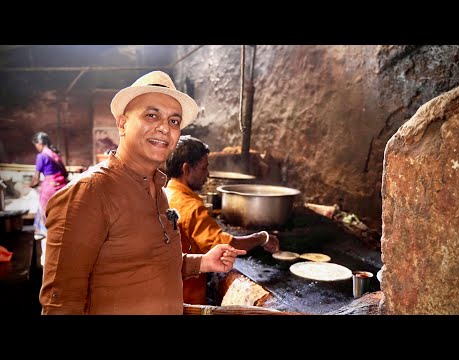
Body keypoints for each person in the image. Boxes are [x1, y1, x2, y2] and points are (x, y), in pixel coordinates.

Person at [39, 71, 246, 315]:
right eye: (151, 115)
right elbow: (60, 304)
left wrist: (202, 262)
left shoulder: (158, 189)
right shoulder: (89, 193)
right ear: (122, 123)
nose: (164, 128)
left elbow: (147, 261)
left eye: (174, 121)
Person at [164, 135, 280, 305]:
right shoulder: (189, 206)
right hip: (186, 297)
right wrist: (262, 237)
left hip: (167, 288)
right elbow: (226, 245)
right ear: (187, 169)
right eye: (204, 168)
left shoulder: (165, 193)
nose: (208, 174)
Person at [29, 132, 69, 239]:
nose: (36, 147)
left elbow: (36, 178)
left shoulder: (41, 156)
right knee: (60, 211)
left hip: (49, 187)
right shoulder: (55, 155)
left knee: (44, 209)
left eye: (36, 145)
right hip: (61, 186)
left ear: (40, 143)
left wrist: (31, 185)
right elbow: (65, 173)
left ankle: (44, 232)